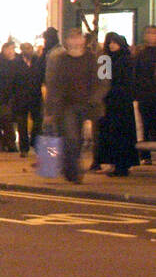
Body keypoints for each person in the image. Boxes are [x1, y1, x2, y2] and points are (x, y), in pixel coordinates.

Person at [44, 28, 106, 184]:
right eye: (71, 38)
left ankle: (71, 167)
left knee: (80, 140)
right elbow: (52, 84)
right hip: (67, 106)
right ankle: (73, 170)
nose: (75, 42)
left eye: (78, 38)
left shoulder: (96, 59)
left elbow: (104, 83)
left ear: (84, 40)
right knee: (71, 138)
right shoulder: (59, 60)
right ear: (66, 41)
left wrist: (95, 99)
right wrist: (49, 109)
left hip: (89, 104)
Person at [95, 32, 139, 177]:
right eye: (110, 42)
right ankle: (114, 163)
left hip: (121, 102)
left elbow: (128, 80)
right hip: (109, 102)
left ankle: (122, 165)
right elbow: (101, 80)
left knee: (121, 133)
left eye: (114, 42)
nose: (112, 45)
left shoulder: (126, 59)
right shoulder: (105, 59)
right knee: (111, 134)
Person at [0, 40, 27, 154]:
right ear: (4, 50)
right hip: (4, 97)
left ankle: (21, 144)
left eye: (12, 49)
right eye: (8, 49)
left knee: (20, 121)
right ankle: (10, 143)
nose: (11, 51)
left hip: (18, 96)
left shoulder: (19, 62)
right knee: (6, 120)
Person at [134, 25, 156, 163]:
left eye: (153, 33)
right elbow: (136, 73)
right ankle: (146, 155)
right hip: (145, 94)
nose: (150, 35)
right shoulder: (140, 53)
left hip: (150, 92)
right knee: (145, 124)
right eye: (148, 32)